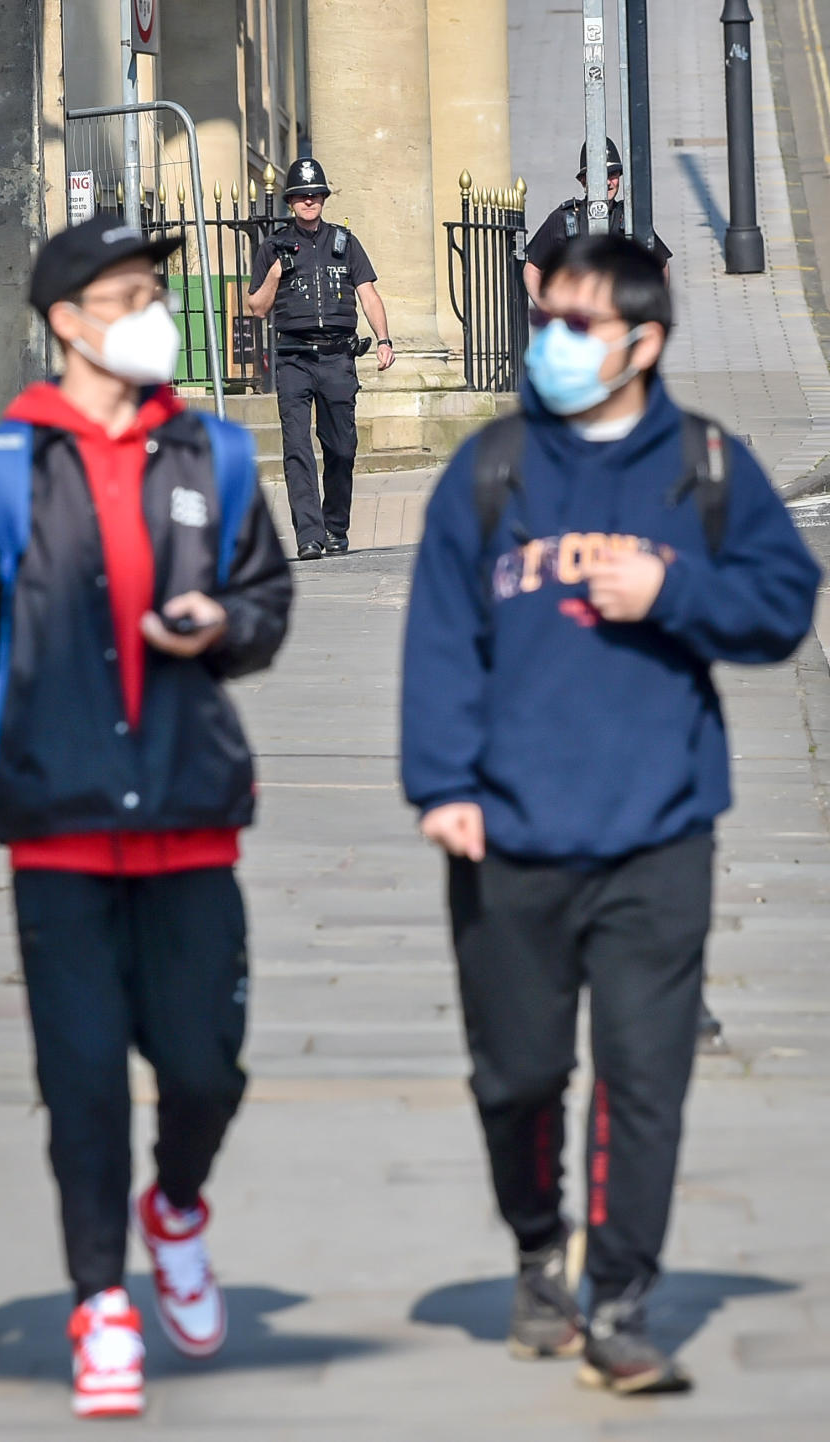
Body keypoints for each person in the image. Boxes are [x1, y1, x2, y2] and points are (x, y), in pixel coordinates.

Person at [402, 236, 819, 1395]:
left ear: (645, 340)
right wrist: (442, 787)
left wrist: (673, 590)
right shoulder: (489, 471)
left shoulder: (705, 467)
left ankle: (622, 1296)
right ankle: (540, 1247)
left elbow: (786, 604)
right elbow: (442, 636)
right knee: (519, 1074)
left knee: (644, 1077)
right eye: (547, 318)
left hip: (660, 832)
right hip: (510, 834)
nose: (553, 342)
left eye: (578, 324)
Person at [0, 215, 292, 1420]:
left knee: (204, 1067)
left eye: (154, 293)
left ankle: (174, 1208)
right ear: (68, 320)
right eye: (129, 294)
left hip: (190, 812)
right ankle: (99, 1300)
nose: (153, 313)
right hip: (59, 822)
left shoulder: (215, 454)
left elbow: (268, 598)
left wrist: (222, 626)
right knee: (79, 1079)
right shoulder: (10, 469)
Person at [247, 157, 395, 560]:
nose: (309, 201)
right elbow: (257, 308)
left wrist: (384, 339)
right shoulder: (273, 246)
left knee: (341, 447)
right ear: (291, 201)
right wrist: (276, 274)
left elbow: (368, 293)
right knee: (297, 447)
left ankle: (335, 528)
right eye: (301, 196)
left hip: (336, 359)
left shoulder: (345, 243)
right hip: (294, 358)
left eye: (315, 195)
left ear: (324, 199)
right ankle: (308, 536)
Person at [524, 138, 672, 302]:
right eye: (600, 175)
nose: (608, 182)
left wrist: (651, 311)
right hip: (579, 319)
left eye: (613, 174)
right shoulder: (564, 219)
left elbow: (661, 263)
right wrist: (548, 311)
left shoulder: (630, 218)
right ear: (583, 180)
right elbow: (532, 269)